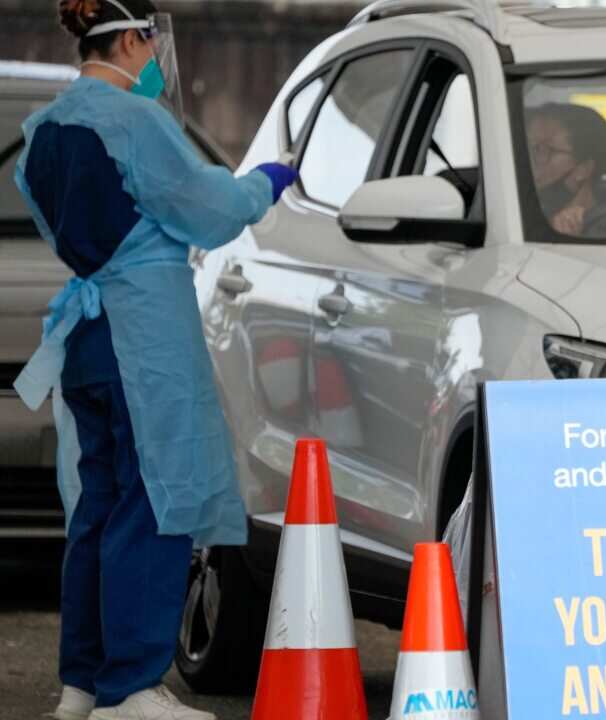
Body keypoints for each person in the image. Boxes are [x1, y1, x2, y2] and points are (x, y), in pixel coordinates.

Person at [12, 1, 297, 718]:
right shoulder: (137, 120)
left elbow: (61, 222)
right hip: (144, 338)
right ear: (135, 38)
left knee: (98, 512)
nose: (155, 57)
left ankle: (81, 685)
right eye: (151, 41)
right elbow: (202, 206)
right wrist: (264, 183)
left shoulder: (43, 130)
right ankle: (132, 688)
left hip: (86, 338)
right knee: (153, 506)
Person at [525, 102, 606, 236]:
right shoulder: (523, 218)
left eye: (542, 150)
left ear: (583, 169)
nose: (530, 160)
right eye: (530, 148)